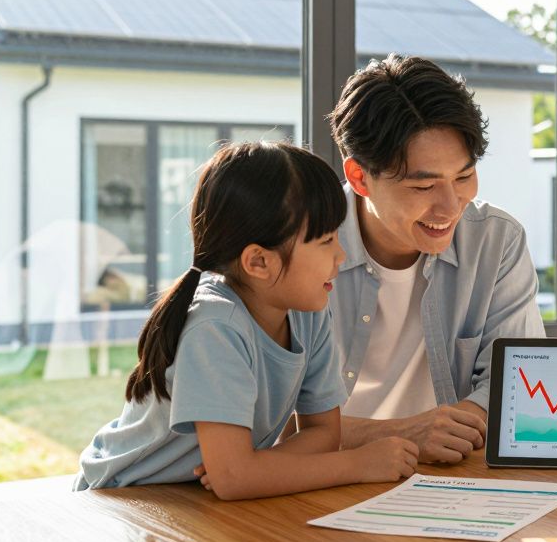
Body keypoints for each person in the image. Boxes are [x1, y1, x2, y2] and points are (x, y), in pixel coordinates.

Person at [75, 142, 418, 498]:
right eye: (326, 240)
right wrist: (360, 464)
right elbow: (235, 480)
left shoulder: (308, 311)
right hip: (123, 497)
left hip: (193, 499)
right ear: (258, 262)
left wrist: (255, 469)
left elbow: (323, 435)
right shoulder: (216, 328)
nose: (341, 254)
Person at [326, 54, 545, 463]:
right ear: (359, 177)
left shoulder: (496, 240)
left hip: (445, 478)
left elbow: (517, 380)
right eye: (423, 186)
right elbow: (266, 417)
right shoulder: (296, 246)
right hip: (317, 480)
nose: (450, 208)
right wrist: (401, 435)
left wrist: (451, 429)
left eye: (463, 177)